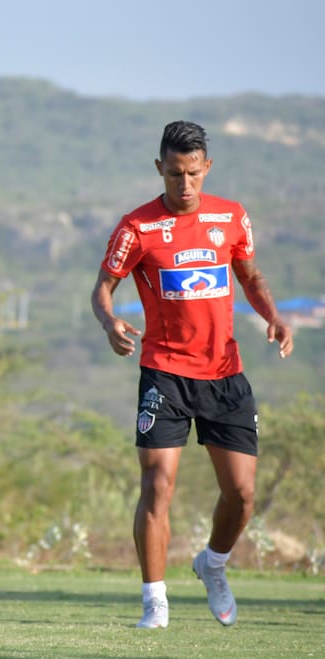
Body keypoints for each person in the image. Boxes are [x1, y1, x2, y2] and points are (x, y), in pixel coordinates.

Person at [91, 121, 293, 629]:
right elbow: (103, 288)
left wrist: (272, 315)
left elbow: (250, 276)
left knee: (242, 495)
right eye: (175, 173)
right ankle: (155, 602)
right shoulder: (137, 227)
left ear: (207, 168)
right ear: (159, 168)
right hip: (164, 374)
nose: (185, 184)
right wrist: (110, 321)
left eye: (194, 173)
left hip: (225, 374)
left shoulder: (231, 216)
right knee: (158, 484)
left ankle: (213, 564)